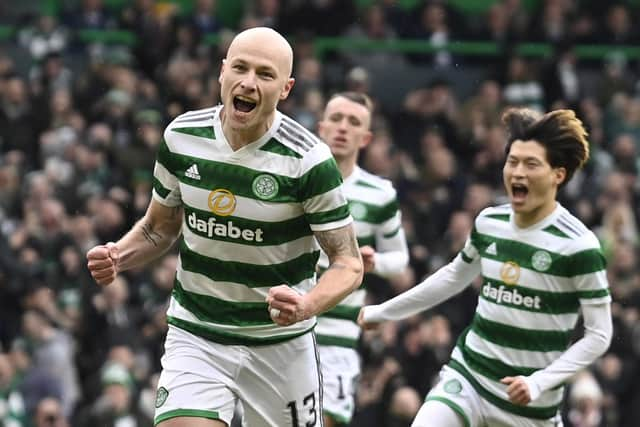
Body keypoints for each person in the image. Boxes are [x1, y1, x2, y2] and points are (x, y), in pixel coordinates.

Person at [86, 27, 364, 427]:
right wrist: (118, 254)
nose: (248, 82)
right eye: (240, 68)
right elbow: (157, 228)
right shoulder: (182, 137)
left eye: (265, 75)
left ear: (285, 89)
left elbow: (348, 263)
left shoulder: (309, 160)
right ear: (222, 73)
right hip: (197, 334)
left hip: (279, 346)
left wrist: (306, 306)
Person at [358, 108, 613, 427]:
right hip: (469, 378)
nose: (518, 172)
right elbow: (453, 278)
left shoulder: (579, 245)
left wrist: (539, 382)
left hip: (527, 405)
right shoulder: (490, 222)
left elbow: (600, 335)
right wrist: (384, 311)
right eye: (513, 161)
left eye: (531, 164)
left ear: (557, 175)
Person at [316, 92, 409, 426]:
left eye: (353, 122)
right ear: (321, 127)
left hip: (341, 328)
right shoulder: (293, 181)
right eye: (337, 119)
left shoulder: (379, 193)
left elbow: (400, 258)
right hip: (285, 322)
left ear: (366, 138)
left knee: (328, 420)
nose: (343, 128)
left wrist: (376, 263)